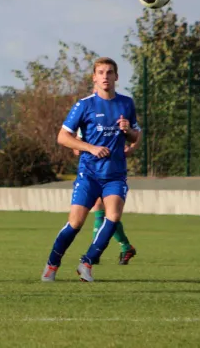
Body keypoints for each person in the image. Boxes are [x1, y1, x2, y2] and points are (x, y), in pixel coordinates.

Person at [41, 57, 140, 282]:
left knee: (113, 216)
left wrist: (129, 132)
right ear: (94, 77)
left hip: (115, 174)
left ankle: (86, 263)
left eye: (110, 72)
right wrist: (90, 148)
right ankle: (52, 264)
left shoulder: (127, 103)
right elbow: (62, 137)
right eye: (101, 72)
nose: (105, 76)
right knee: (75, 223)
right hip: (89, 175)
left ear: (116, 77)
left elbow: (136, 135)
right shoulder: (84, 105)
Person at [74, 117, 139, 265]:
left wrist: (132, 148)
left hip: (112, 172)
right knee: (101, 211)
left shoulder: (119, 113)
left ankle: (98, 253)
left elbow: (137, 133)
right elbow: (76, 142)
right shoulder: (87, 115)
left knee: (108, 213)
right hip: (92, 171)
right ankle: (125, 247)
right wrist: (79, 148)